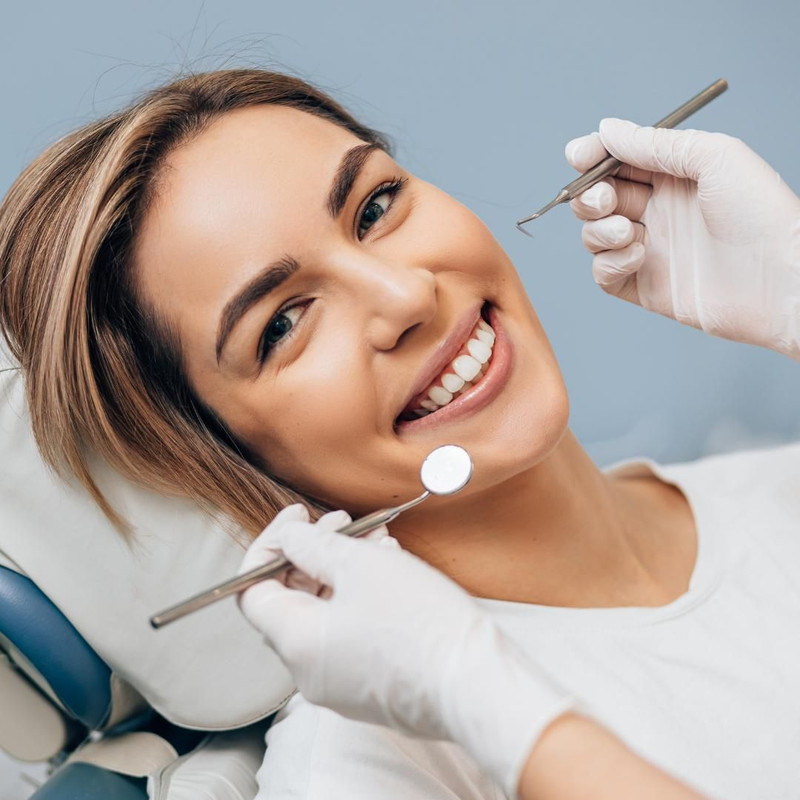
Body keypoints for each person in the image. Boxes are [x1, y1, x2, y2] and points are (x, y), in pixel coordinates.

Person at [1, 69, 799, 799]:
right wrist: (481, 699)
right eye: (281, 324)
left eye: (374, 208)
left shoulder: (775, 489)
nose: (405, 294)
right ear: (218, 454)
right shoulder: (364, 770)